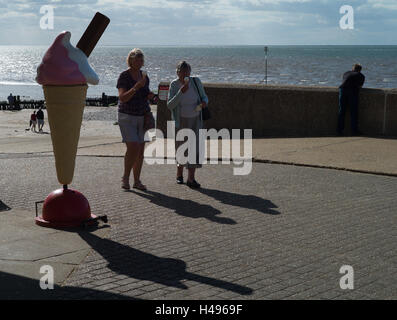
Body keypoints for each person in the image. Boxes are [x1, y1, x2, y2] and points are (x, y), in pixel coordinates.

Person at [116, 48, 157, 191]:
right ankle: (125, 177)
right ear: (131, 60)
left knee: (140, 150)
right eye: (137, 59)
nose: (140, 62)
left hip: (142, 116)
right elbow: (122, 97)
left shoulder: (144, 76)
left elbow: (145, 94)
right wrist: (136, 87)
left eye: (141, 59)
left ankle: (137, 181)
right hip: (127, 116)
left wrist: (152, 96)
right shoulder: (124, 76)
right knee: (133, 147)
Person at [167, 61, 209, 189]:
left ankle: (191, 179)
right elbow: (170, 105)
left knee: (195, 149)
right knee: (181, 148)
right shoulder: (174, 85)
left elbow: (205, 97)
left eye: (187, 71)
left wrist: (204, 103)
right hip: (181, 121)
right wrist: (181, 92)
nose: (185, 74)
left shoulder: (196, 82)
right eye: (182, 71)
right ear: (177, 72)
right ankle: (179, 174)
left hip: (196, 119)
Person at [338, 63, 365, 136]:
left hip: (342, 90)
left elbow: (343, 81)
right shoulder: (361, 75)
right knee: (354, 112)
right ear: (360, 70)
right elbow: (360, 86)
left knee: (342, 111)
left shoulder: (346, 73)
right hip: (352, 92)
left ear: (352, 68)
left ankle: (339, 131)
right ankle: (354, 131)